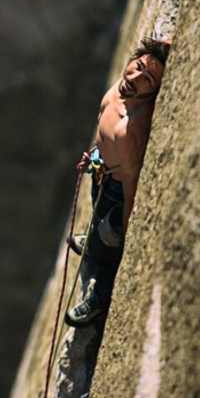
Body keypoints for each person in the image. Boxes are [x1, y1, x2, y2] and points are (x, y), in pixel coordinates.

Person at [64, 37, 169, 327]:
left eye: (148, 79)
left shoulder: (131, 127)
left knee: (106, 250)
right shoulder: (118, 91)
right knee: (98, 226)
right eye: (137, 67)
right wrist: (94, 159)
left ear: (154, 91)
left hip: (116, 194)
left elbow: (131, 182)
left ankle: (99, 298)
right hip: (101, 175)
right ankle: (97, 237)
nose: (135, 78)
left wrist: (124, 226)